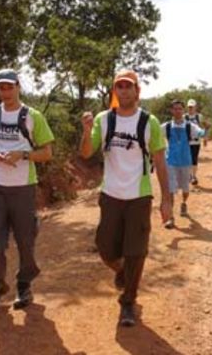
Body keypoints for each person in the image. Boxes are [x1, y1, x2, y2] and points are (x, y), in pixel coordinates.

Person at [80, 69, 172, 327]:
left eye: (128, 86)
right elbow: (86, 153)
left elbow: (160, 162)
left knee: (136, 252)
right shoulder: (104, 119)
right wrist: (87, 132)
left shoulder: (148, 122)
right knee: (106, 248)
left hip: (139, 197)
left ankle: (128, 302)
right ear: (114, 91)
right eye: (119, 86)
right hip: (110, 195)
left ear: (137, 91)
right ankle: (122, 271)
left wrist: (167, 199)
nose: (123, 90)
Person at [0, 68, 55, 310]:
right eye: (1, 87)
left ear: (18, 87)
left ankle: (24, 285)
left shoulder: (33, 116)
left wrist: (23, 154)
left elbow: (47, 152)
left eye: (10, 86)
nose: (5, 91)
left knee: (25, 241)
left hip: (23, 187)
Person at [163, 99, 206, 229]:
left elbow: (200, 133)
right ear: (171, 110)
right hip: (171, 162)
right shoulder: (166, 126)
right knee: (171, 189)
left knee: (185, 189)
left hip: (186, 161)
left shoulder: (189, 126)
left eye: (180, 109)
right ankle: (170, 218)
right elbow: (154, 135)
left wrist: (206, 130)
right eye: (175, 108)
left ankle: (183, 203)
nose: (177, 111)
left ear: (183, 110)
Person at [185, 99, 208, 185]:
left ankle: (193, 176)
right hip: (187, 142)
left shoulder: (199, 117)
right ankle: (190, 175)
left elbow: (204, 127)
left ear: (195, 107)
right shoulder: (184, 117)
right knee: (188, 160)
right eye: (189, 107)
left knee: (194, 159)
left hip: (196, 142)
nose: (190, 109)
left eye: (192, 107)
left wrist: (205, 138)